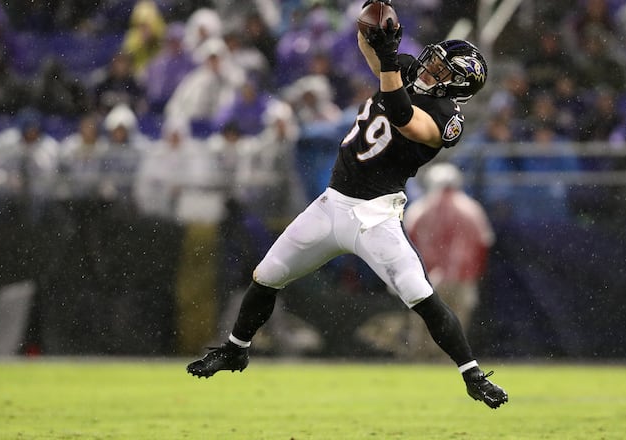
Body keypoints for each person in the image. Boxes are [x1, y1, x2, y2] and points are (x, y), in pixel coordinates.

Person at [187, 0, 508, 409]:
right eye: (434, 61)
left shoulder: (447, 116)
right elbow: (367, 45)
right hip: (331, 202)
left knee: (420, 294)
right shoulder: (407, 71)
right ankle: (235, 349)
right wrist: (372, 18)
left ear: (458, 85)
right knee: (266, 275)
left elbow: (403, 116)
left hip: (375, 215)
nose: (430, 69)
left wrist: (390, 60)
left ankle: (472, 375)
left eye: (442, 71)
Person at [403, 163, 495, 358]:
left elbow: (405, 245)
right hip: (463, 278)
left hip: (427, 279)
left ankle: (419, 364)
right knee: (456, 326)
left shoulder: (419, 209)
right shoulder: (472, 209)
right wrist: (475, 274)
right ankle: (452, 363)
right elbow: (484, 243)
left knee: (424, 327)